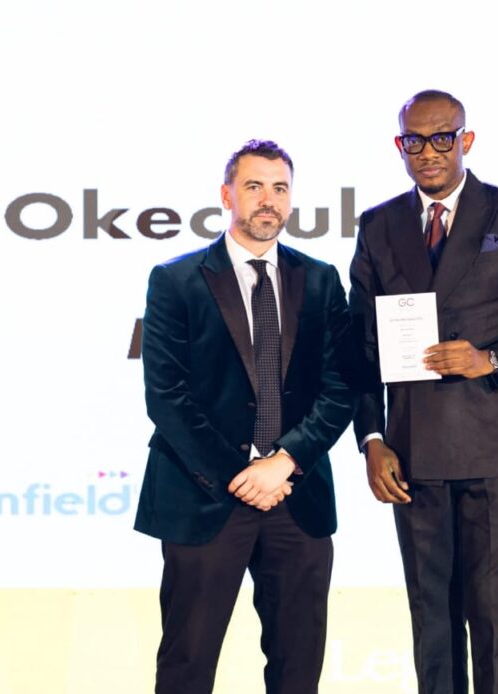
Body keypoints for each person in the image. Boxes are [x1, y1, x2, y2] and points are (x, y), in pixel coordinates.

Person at [348, 90, 498, 694]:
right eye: (414, 140)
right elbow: (360, 347)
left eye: (441, 138)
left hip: (495, 449)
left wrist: (490, 358)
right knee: (431, 618)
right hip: (412, 452)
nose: (428, 152)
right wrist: (371, 438)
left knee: (495, 615)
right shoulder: (378, 225)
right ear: (400, 146)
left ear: (465, 140)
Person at [134, 139, 356, 694]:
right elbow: (166, 395)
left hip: (296, 497)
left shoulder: (321, 279)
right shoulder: (176, 279)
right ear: (227, 194)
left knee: (297, 668)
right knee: (187, 665)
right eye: (254, 186)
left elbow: (341, 386)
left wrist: (285, 462)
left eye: (280, 188)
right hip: (204, 495)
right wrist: (243, 474)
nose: (268, 200)